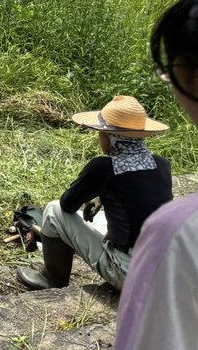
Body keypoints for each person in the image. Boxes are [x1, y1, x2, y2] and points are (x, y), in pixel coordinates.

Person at [79, 0, 198, 350]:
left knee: (58, 216)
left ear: (191, 78)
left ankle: (48, 277)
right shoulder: (163, 166)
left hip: (130, 268)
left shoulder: (180, 230)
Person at [16, 95, 171, 293]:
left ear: (108, 137)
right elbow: (139, 200)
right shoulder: (161, 164)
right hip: (165, 270)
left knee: (53, 210)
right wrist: (100, 197)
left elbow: (68, 205)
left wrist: (93, 190)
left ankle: (52, 278)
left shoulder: (102, 167)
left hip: (131, 275)